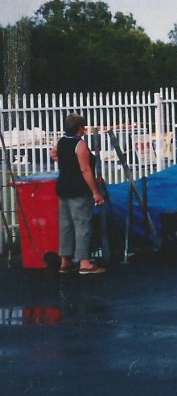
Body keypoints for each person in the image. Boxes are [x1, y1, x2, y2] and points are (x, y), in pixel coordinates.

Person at [49, 113, 105, 275]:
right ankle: (84, 262)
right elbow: (85, 169)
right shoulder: (80, 144)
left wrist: (64, 162)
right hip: (78, 189)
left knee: (65, 225)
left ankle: (65, 261)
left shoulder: (61, 141)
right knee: (82, 225)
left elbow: (53, 154)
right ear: (81, 127)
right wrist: (95, 192)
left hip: (63, 187)